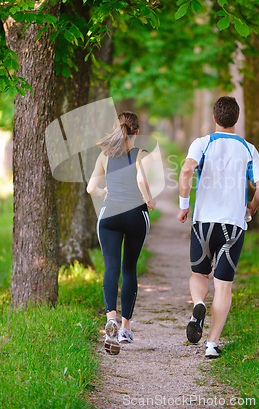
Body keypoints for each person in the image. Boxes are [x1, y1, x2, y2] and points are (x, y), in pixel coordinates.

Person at [177, 96, 259, 359]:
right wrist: (251, 207)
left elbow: (185, 171)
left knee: (199, 275)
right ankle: (212, 344)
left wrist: (184, 206)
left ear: (215, 118)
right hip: (234, 224)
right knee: (224, 284)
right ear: (236, 120)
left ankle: (197, 305)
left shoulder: (202, 143)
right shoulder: (249, 149)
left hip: (204, 221)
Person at [87, 111, 156, 355]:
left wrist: (105, 192)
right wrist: (149, 200)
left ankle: (110, 321)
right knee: (129, 269)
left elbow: (90, 188)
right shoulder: (142, 154)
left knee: (111, 268)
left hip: (109, 216)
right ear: (136, 132)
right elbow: (140, 179)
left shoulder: (104, 155)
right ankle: (125, 329)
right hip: (136, 215)